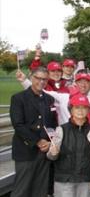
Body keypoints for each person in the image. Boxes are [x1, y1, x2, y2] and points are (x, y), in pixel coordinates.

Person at [10, 66, 58, 197]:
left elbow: (52, 124)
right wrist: (37, 141)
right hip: (26, 151)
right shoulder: (18, 98)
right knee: (22, 190)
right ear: (31, 77)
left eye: (45, 79)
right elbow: (18, 124)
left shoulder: (49, 99)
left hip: (44, 152)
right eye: (38, 78)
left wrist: (49, 142)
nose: (41, 82)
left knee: (40, 190)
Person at [46, 94, 90, 197]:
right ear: (71, 110)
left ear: (88, 110)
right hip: (64, 180)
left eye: (84, 108)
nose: (80, 111)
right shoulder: (61, 129)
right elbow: (51, 156)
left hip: (85, 179)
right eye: (77, 107)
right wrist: (53, 153)